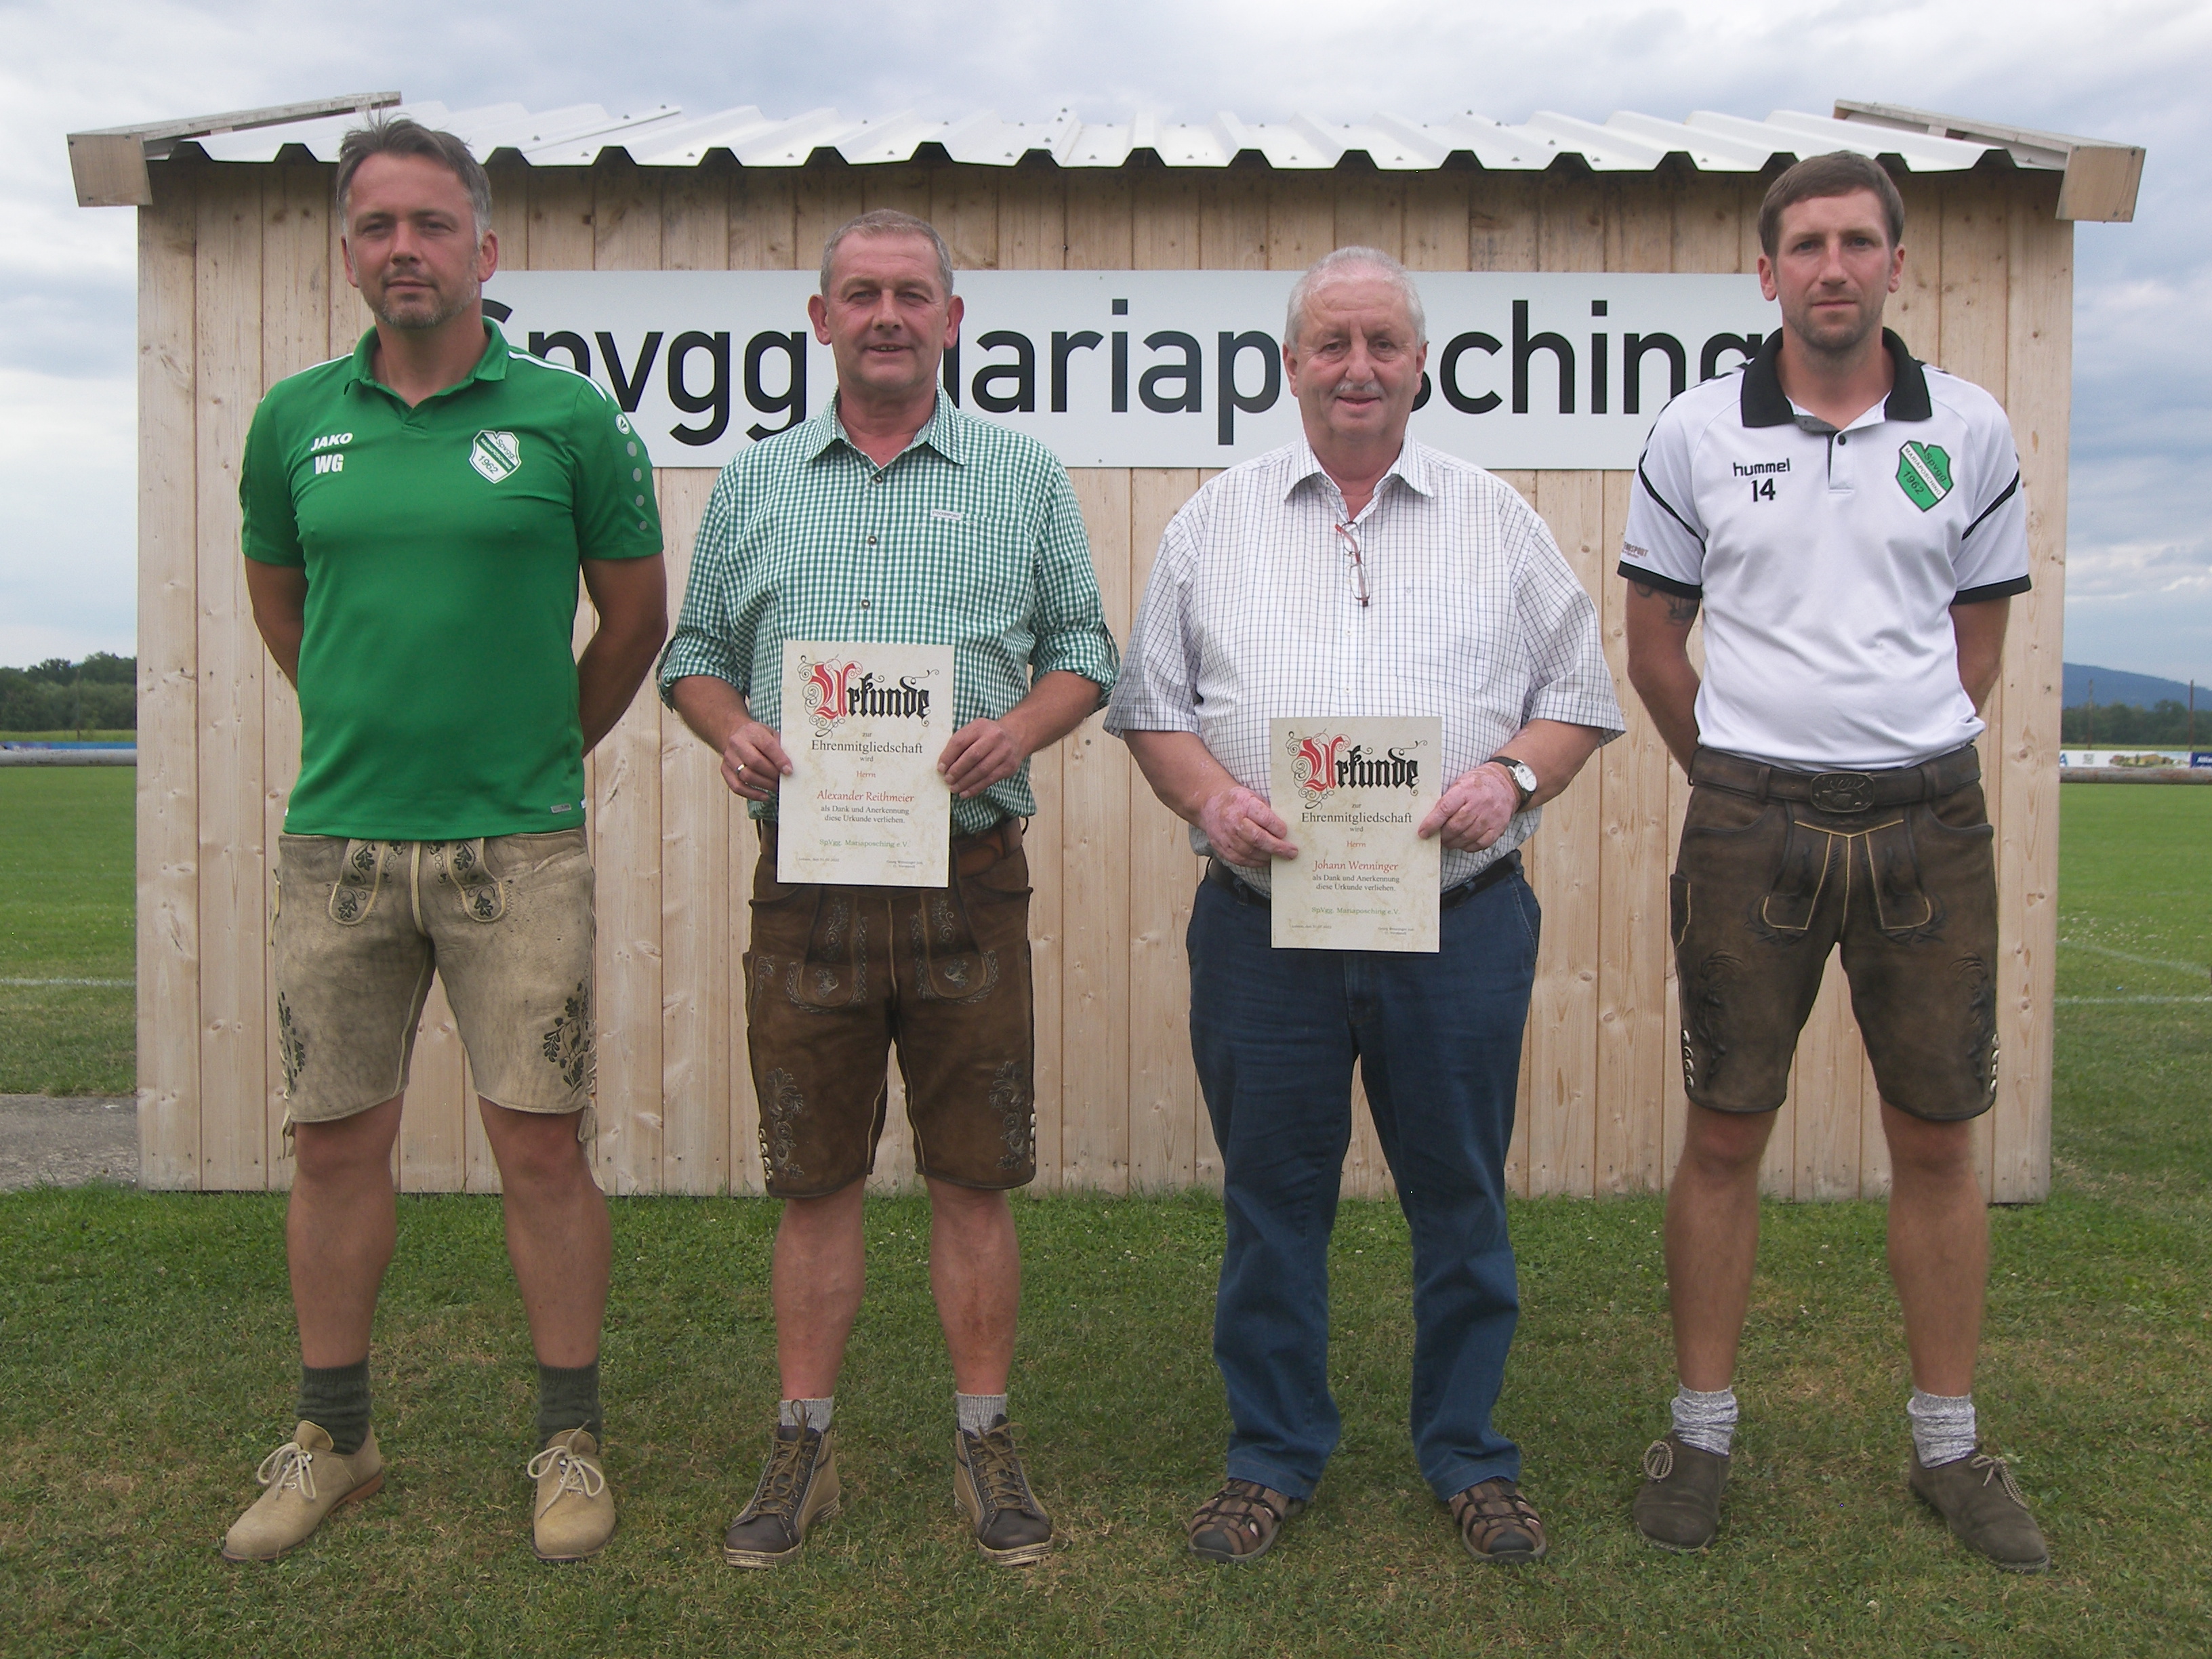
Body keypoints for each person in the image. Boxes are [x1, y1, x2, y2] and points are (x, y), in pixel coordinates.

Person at [1107, 246, 1622, 1566]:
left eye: (1382, 342)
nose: (1358, 367)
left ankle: (1469, 1453)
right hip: (1261, 929)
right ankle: (1272, 1454)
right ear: (1289, 368)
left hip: (1456, 922)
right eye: (1332, 343)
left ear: (1420, 365)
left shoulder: (1493, 516)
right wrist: (1209, 800)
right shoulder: (1210, 523)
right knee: (1273, 1204)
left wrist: (1509, 780)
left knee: (1461, 1200)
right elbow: (1154, 712)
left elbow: (1578, 699)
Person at [224, 115, 668, 1564]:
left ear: (485, 247)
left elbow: (635, 621)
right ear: (347, 252)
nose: (402, 249)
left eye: (429, 225)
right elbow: (288, 613)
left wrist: (535, 754)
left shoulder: (567, 420)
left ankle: (569, 1440)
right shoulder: (295, 420)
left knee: (541, 1149)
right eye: (376, 227)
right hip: (337, 847)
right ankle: (335, 1436)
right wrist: (379, 727)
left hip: (516, 852)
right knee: (334, 1145)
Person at [661, 209, 1118, 1569]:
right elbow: (690, 650)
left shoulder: (1022, 477)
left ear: (953, 321)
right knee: (816, 1178)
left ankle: (986, 1438)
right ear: (820, 321)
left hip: (968, 876)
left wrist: (1021, 730)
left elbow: (1086, 649)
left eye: (913, 294)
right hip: (810, 884)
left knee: (975, 1176)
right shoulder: (755, 485)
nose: (887, 315)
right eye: (860, 294)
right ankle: (804, 1442)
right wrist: (727, 726)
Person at [1619, 151, 2045, 1571]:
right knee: (1727, 1127)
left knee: (1935, 1132)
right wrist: (1736, 778)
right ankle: (1700, 1428)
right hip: (1749, 819)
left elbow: (1973, 650)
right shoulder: (1692, 431)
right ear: (1768, 273)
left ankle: (1948, 1445)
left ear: (1898, 266)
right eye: (1807, 244)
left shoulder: (1971, 429)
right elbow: (1654, 647)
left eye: (1860, 242)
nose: (1834, 267)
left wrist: (1894, 744)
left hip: (1932, 816)